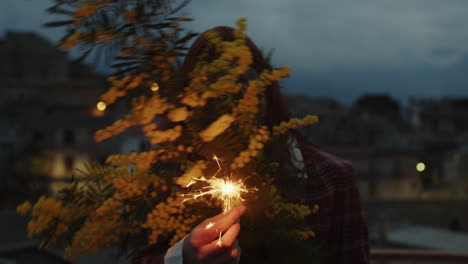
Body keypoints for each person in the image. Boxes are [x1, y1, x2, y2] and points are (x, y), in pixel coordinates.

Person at [132, 26, 369, 264]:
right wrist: (182, 257)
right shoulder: (165, 178)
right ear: (190, 98)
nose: (230, 100)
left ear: (266, 90)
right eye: (214, 87)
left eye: (242, 83)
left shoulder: (329, 178)